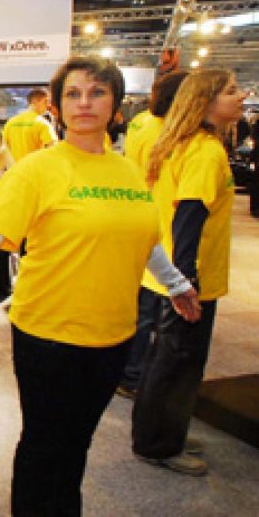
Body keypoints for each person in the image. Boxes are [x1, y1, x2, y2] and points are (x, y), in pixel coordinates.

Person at [0, 56, 198, 517]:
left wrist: (175, 284)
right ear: (56, 107)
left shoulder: (129, 171)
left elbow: (145, 239)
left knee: (76, 443)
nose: (84, 103)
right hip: (49, 334)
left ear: (116, 106)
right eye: (73, 94)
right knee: (44, 444)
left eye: (97, 93)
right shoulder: (38, 170)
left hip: (113, 335)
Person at [132, 70, 247, 476]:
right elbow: (189, 218)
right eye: (230, 92)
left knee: (165, 358)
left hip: (169, 275)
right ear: (206, 100)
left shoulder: (186, 145)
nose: (241, 96)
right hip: (186, 280)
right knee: (177, 364)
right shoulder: (204, 152)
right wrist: (187, 284)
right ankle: (159, 443)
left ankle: (162, 432)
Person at [117, 70, 188, 398]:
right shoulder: (176, 136)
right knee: (153, 313)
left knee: (142, 308)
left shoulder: (141, 123)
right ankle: (135, 376)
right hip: (164, 228)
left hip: (139, 220)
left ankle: (129, 373)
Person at [2, 88, 57, 161]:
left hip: (15, 170)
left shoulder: (10, 122)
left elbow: (3, 149)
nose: (48, 105)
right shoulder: (43, 123)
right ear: (36, 101)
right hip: (35, 170)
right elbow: (53, 150)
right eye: (46, 101)